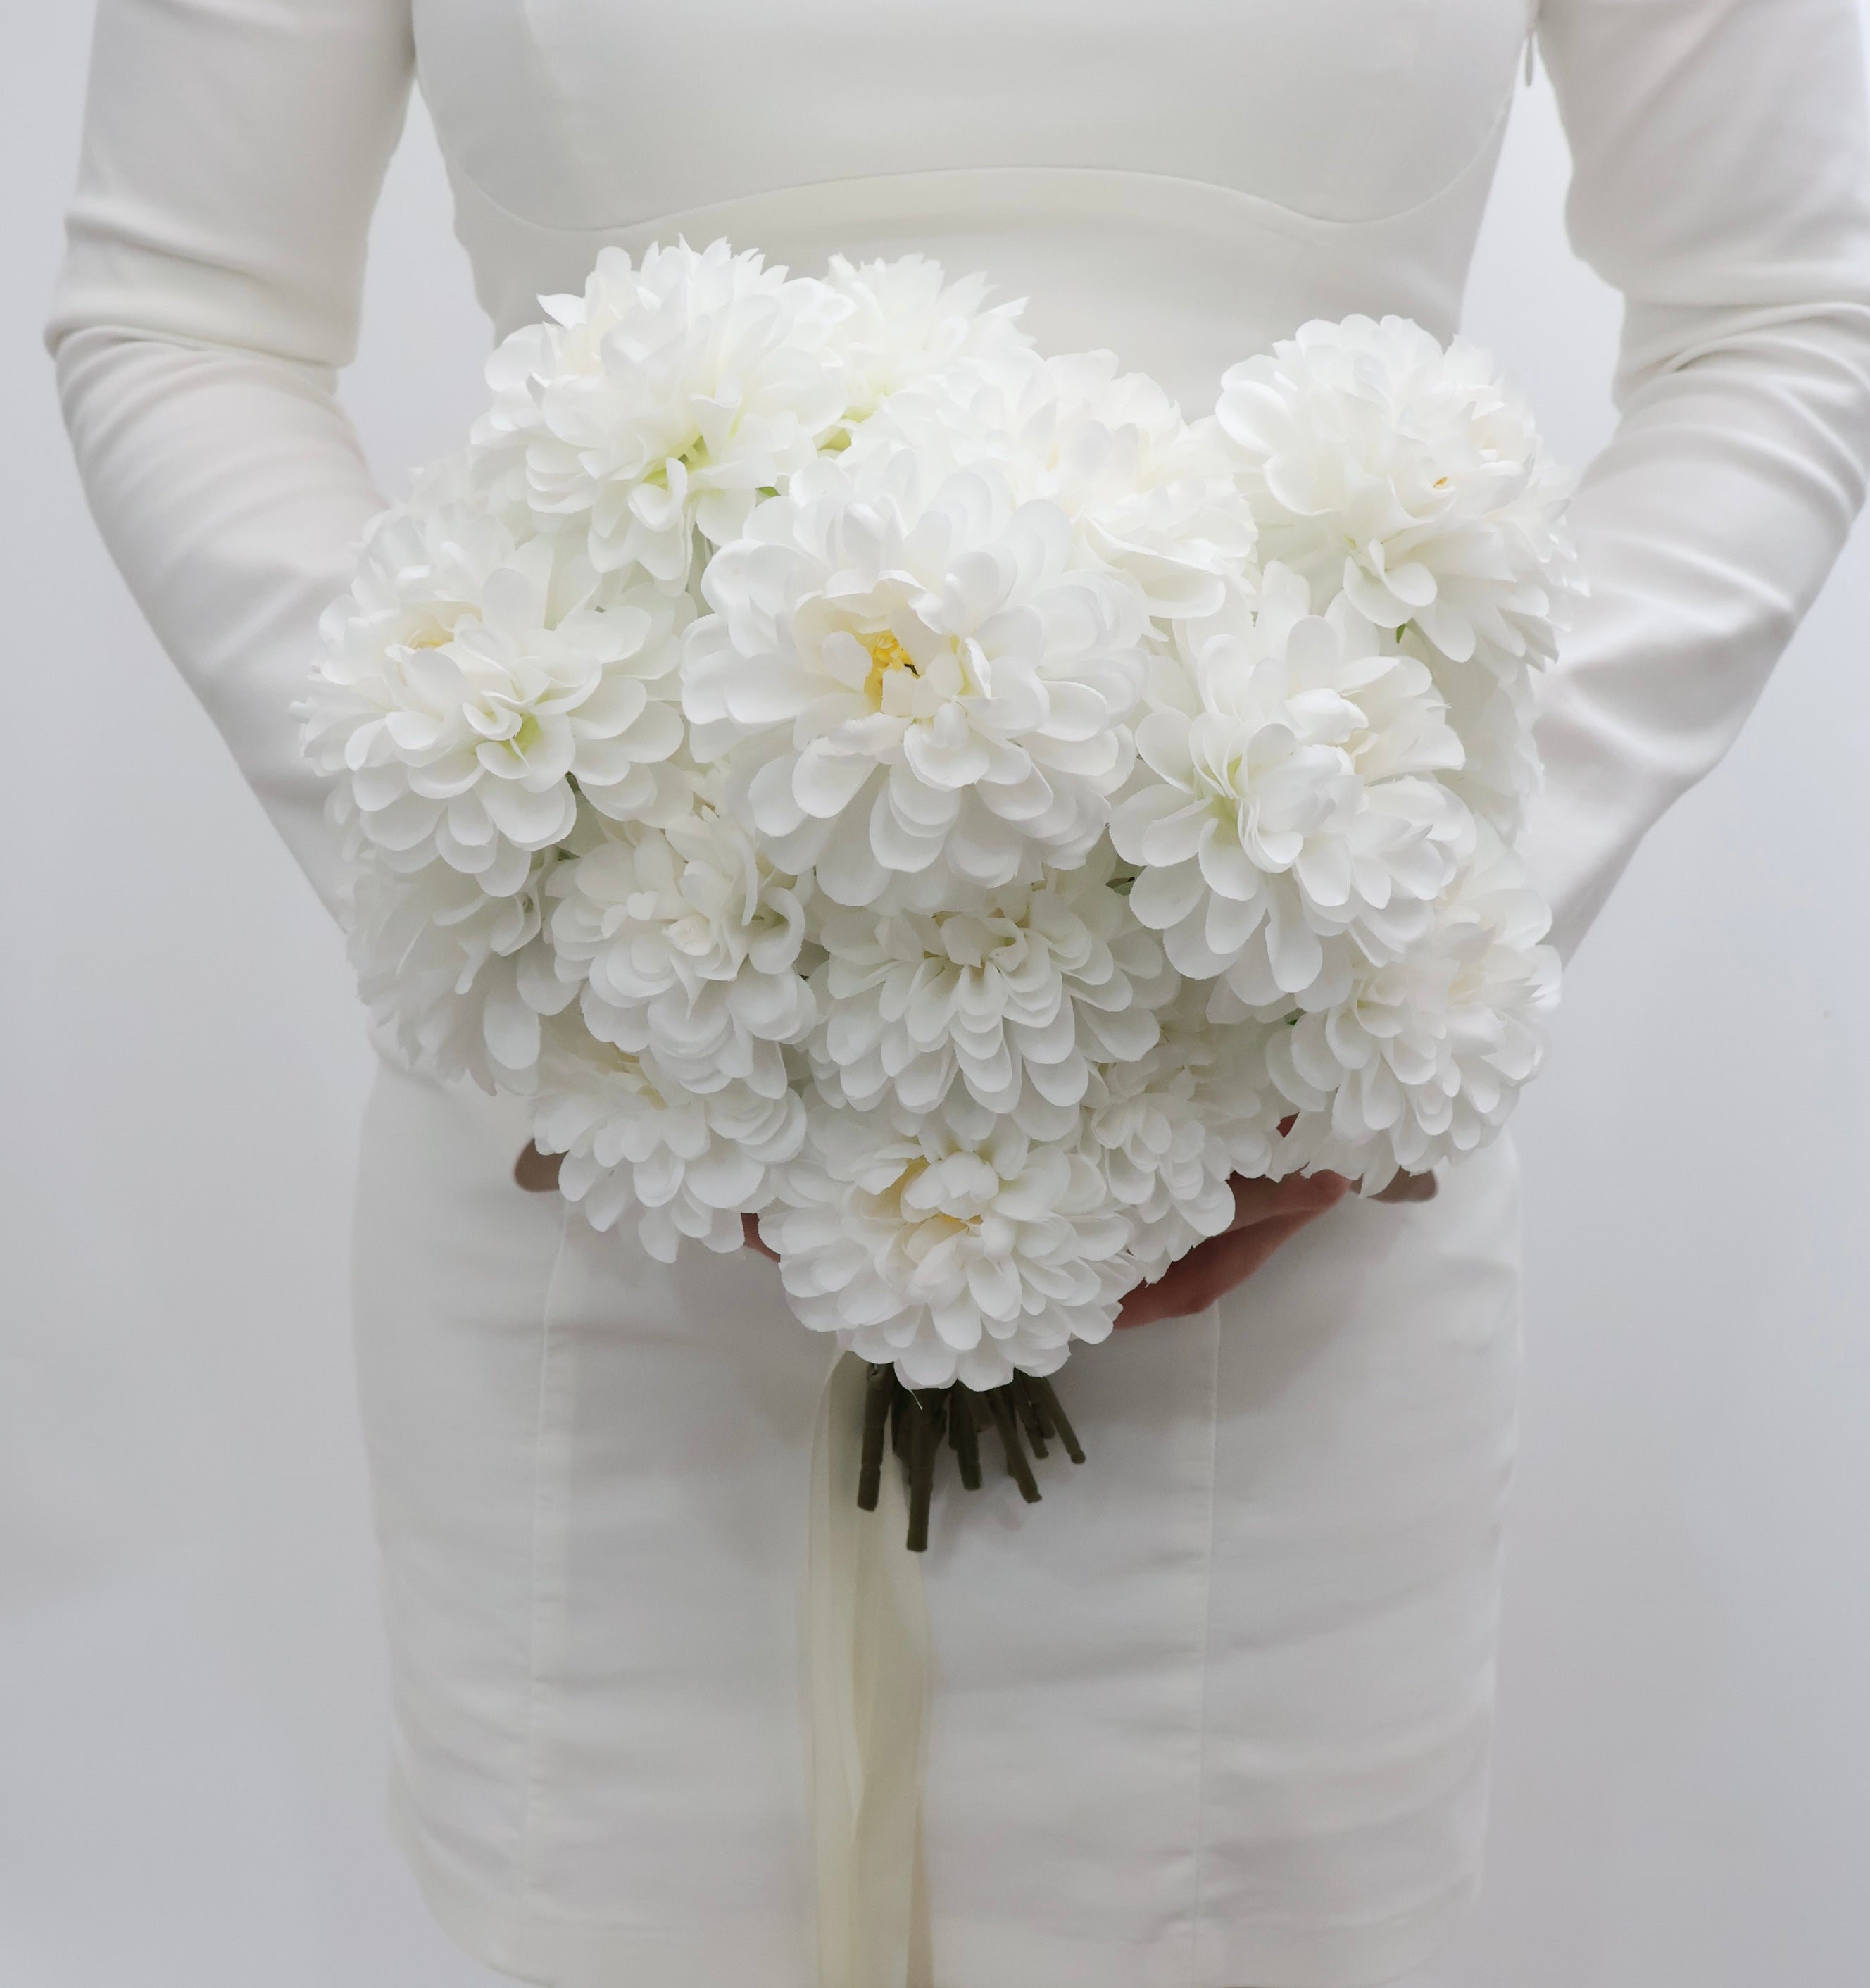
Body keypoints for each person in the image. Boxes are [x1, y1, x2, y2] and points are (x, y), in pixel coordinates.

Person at [48, 4, 1870, 1984]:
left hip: (1289, 1213)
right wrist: (518, 904)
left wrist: (1399, 935)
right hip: (623, 1180)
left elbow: (1776, 309)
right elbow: (181, 308)